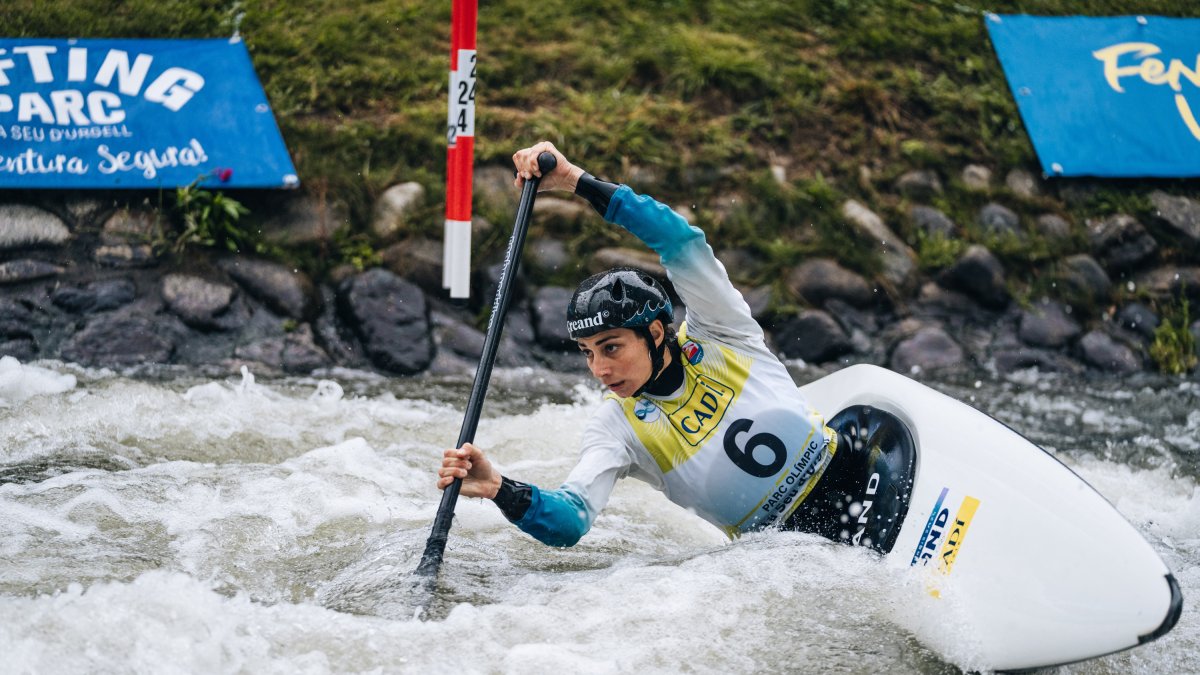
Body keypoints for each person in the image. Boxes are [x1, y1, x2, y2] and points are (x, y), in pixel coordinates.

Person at [437, 142, 914, 553]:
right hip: (790, 550)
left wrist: (575, 181)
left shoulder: (722, 331)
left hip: (859, 476)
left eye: (610, 347)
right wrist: (501, 489)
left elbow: (678, 240)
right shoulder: (616, 427)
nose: (599, 369)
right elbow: (570, 521)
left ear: (656, 333)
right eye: (587, 352)